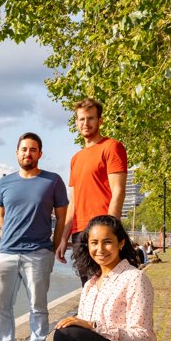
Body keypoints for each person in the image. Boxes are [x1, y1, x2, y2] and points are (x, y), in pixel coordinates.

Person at [0, 132, 68, 341]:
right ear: (17, 153)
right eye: (24, 149)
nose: (28, 153)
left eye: (33, 149)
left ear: (40, 154)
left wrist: (54, 247)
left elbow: (62, 218)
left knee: (38, 303)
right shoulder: (4, 182)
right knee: (1, 303)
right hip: (7, 252)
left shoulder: (52, 181)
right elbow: (2, 216)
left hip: (38, 252)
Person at [55, 98, 128, 279]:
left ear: (100, 121)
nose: (85, 123)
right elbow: (74, 202)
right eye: (81, 119)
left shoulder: (112, 147)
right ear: (76, 122)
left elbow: (118, 190)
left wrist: (111, 230)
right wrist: (64, 237)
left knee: (108, 286)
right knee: (88, 289)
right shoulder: (76, 158)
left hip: (101, 231)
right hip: (80, 233)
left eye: (90, 118)